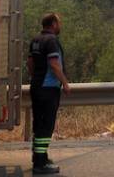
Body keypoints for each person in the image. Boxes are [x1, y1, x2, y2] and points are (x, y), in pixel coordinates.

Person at [27, 12, 71, 174]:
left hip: (37, 87)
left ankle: (40, 157)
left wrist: (35, 78)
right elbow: (54, 64)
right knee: (46, 126)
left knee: (39, 124)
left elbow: (30, 63)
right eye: (59, 22)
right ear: (53, 24)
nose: (60, 25)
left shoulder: (36, 40)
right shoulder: (52, 41)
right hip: (49, 89)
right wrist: (65, 83)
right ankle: (40, 164)